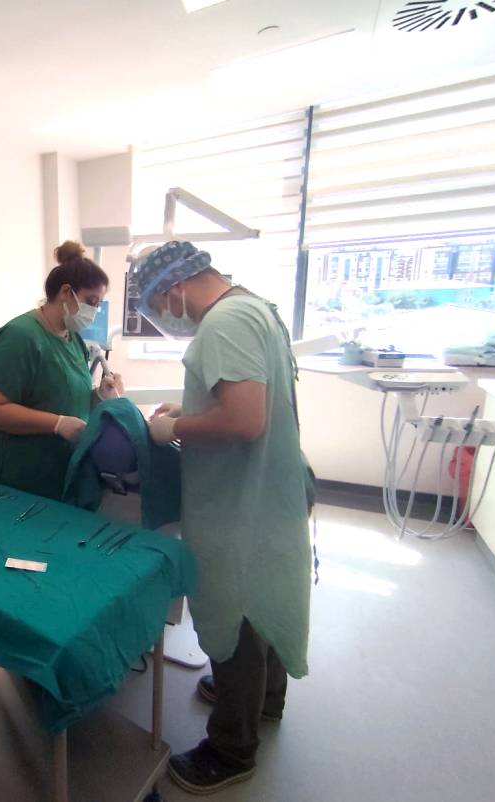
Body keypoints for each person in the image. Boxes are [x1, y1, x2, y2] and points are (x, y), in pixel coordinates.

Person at [132, 241, 312, 795]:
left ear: (172, 288)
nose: (165, 317)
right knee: (266, 592)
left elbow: (245, 419)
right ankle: (265, 699)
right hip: (272, 490)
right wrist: (191, 409)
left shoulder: (223, 323)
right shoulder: (255, 308)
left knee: (237, 606)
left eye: (157, 307)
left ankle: (231, 748)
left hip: (240, 499)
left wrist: (175, 428)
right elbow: (251, 397)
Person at [0, 241, 124, 500]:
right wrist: (57, 424)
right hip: (12, 479)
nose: (95, 311)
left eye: (99, 304)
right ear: (66, 292)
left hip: (53, 475)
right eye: (91, 302)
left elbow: (68, 400)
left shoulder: (74, 340)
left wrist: (99, 396)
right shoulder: (20, 337)